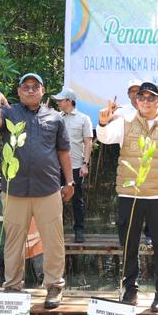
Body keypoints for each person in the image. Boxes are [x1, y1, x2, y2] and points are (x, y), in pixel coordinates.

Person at [97, 81, 158, 312]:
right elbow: (105, 138)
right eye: (142, 97)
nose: (145, 101)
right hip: (130, 194)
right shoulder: (124, 122)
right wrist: (103, 122)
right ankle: (131, 290)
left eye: (150, 98)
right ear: (136, 100)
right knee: (129, 245)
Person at [0, 73, 73, 309]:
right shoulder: (9, 112)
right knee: (13, 241)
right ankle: (13, 286)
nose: (31, 90)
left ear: (43, 91)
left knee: (53, 241)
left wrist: (70, 182)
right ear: (19, 92)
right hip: (14, 191)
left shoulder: (55, 117)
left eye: (35, 87)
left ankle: (54, 286)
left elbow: (63, 152)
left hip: (48, 190)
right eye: (26, 87)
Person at [54, 88, 94, 243]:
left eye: (60, 100)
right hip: (56, 166)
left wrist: (85, 164)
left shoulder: (84, 119)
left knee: (77, 199)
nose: (57, 102)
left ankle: (79, 230)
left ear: (69, 101)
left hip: (76, 165)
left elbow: (88, 142)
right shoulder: (56, 117)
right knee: (55, 199)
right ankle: (57, 231)